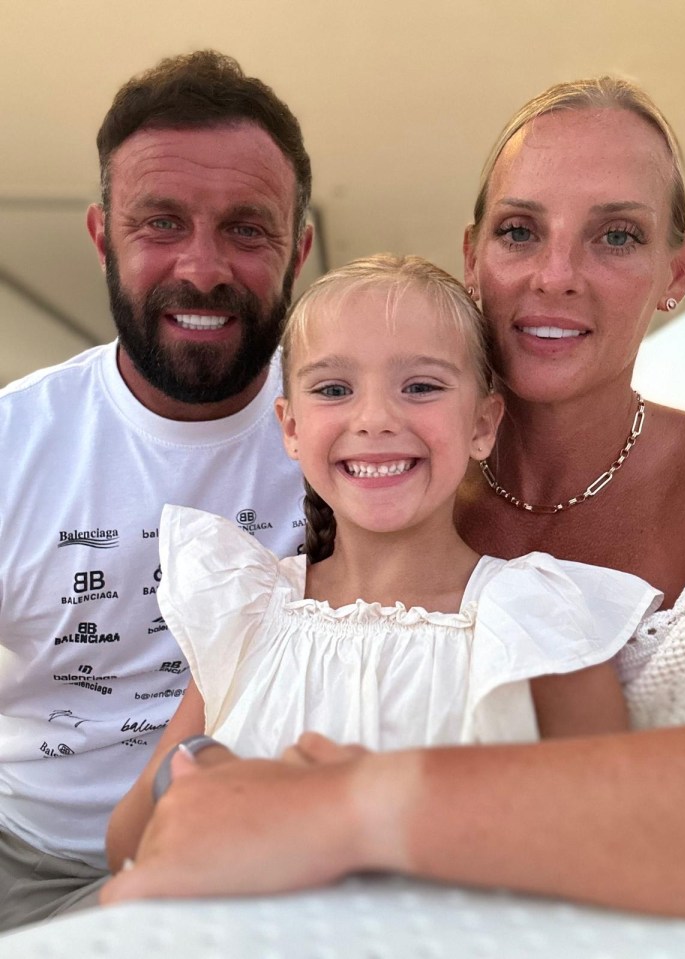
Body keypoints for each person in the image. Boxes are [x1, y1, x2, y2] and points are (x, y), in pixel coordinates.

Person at [101, 78, 685, 920]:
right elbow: (143, 820)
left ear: (677, 267)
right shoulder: (303, 552)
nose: (557, 274)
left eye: (617, 234)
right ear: (474, 255)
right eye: (519, 230)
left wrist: (335, 807)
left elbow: (603, 835)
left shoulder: (544, 609)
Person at [105, 253, 660, 871]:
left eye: (420, 386)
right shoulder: (247, 609)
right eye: (333, 389)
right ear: (290, 427)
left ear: (482, 422)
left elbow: (623, 845)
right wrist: (200, 773)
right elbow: (127, 839)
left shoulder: (538, 624)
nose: (374, 419)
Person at [0, 50, 313, 930]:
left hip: (276, 852)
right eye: (161, 223)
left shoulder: (363, 433)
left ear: (300, 246)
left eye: (248, 228)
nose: (203, 267)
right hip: (34, 861)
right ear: (104, 235)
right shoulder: (14, 444)